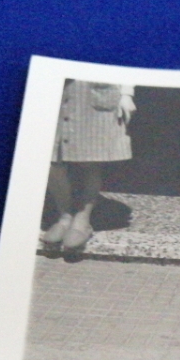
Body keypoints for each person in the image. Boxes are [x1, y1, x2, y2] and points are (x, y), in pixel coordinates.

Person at [42, 80, 135, 258]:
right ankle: (64, 216)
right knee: (53, 161)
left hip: (93, 92)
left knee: (89, 161)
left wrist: (126, 94)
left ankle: (82, 220)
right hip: (56, 91)